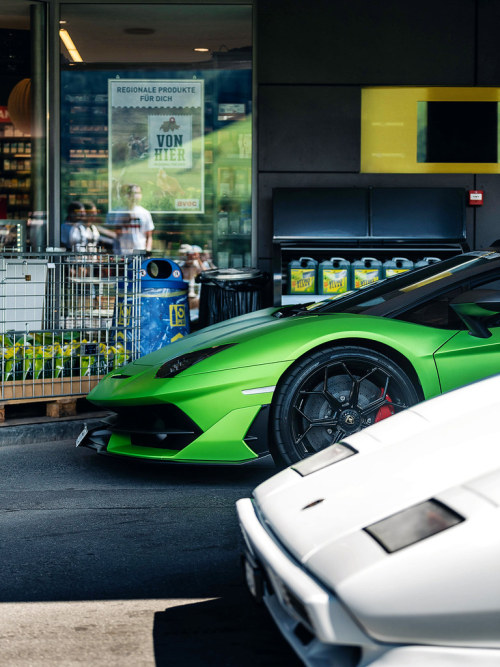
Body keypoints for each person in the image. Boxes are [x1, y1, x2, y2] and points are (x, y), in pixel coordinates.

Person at [109, 184, 154, 253]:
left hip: (140, 252)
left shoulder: (145, 213)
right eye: (132, 193)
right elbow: (117, 234)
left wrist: (148, 251)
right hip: (124, 253)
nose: (134, 196)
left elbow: (149, 236)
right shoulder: (120, 213)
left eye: (137, 193)